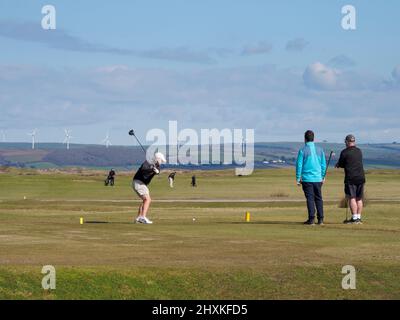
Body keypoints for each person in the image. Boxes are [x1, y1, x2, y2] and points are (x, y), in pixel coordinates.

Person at [296, 130, 327, 225]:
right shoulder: (320, 150)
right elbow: (323, 165)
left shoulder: (302, 150)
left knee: (310, 199)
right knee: (318, 198)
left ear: (305, 139)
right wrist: (323, 176)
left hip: (307, 179)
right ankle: (321, 219)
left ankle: (311, 219)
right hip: (318, 179)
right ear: (313, 138)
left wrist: (298, 178)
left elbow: (299, 165)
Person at [335, 134, 366, 224]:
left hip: (351, 178)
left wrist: (338, 164)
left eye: (345, 141)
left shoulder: (344, 152)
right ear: (354, 141)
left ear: (347, 142)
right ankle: (359, 218)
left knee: (352, 198)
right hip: (361, 177)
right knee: (359, 198)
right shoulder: (359, 151)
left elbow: (341, 164)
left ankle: (354, 218)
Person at [132, 152, 167, 224]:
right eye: (161, 161)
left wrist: (156, 171)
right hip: (139, 182)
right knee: (148, 199)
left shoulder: (156, 165)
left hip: (140, 183)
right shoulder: (148, 162)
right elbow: (143, 169)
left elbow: (158, 171)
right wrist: (152, 169)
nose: (161, 162)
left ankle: (138, 218)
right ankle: (143, 217)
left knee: (145, 200)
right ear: (157, 159)